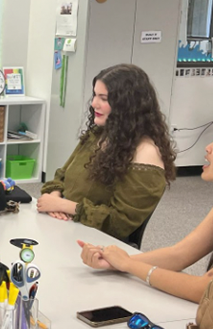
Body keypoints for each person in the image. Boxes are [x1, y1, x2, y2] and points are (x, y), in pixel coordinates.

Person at [78, 118, 213, 303]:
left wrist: (129, 264)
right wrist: (116, 262)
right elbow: (179, 254)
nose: (208, 148)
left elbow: (206, 288)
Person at [37, 64, 177, 241]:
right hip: (66, 226)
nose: (94, 103)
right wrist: (54, 197)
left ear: (127, 106)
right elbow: (62, 176)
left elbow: (120, 223)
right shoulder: (99, 134)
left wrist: (65, 206)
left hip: (96, 244)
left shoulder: (146, 154)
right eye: (95, 95)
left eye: (104, 98)